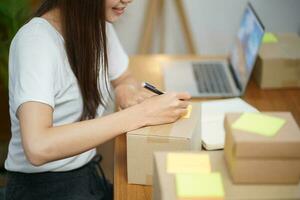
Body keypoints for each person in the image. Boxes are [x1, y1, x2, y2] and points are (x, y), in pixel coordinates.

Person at [4, 0, 191, 199]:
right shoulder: (36, 43)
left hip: (86, 173)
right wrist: (142, 114)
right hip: (43, 188)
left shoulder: (97, 25)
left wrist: (125, 90)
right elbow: (37, 146)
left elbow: (123, 77)